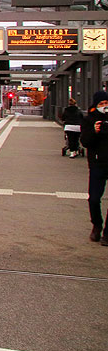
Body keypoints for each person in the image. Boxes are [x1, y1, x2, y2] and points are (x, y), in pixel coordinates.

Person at [80, 90, 108, 243]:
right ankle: (96, 225)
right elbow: (84, 142)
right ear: (95, 105)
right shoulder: (89, 120)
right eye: (101, 104)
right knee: (94, 199)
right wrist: (95, 131)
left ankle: (107, 233)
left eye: (106, 103)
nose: (104, 106)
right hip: (97, 163)